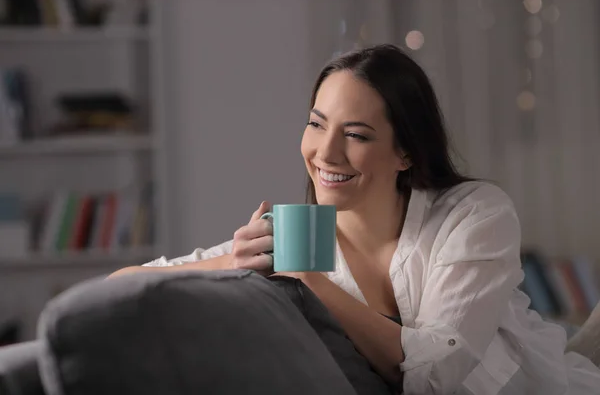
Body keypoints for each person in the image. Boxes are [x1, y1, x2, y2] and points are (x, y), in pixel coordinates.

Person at [110, 44, 600, 394]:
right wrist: (230, 264)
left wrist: (310, 279)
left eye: (357, 135)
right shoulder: (289, 237)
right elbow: (120, 285)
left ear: (406, 150)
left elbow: (437, 378)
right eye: (316, 124)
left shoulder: (474, 214)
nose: (325, 153)